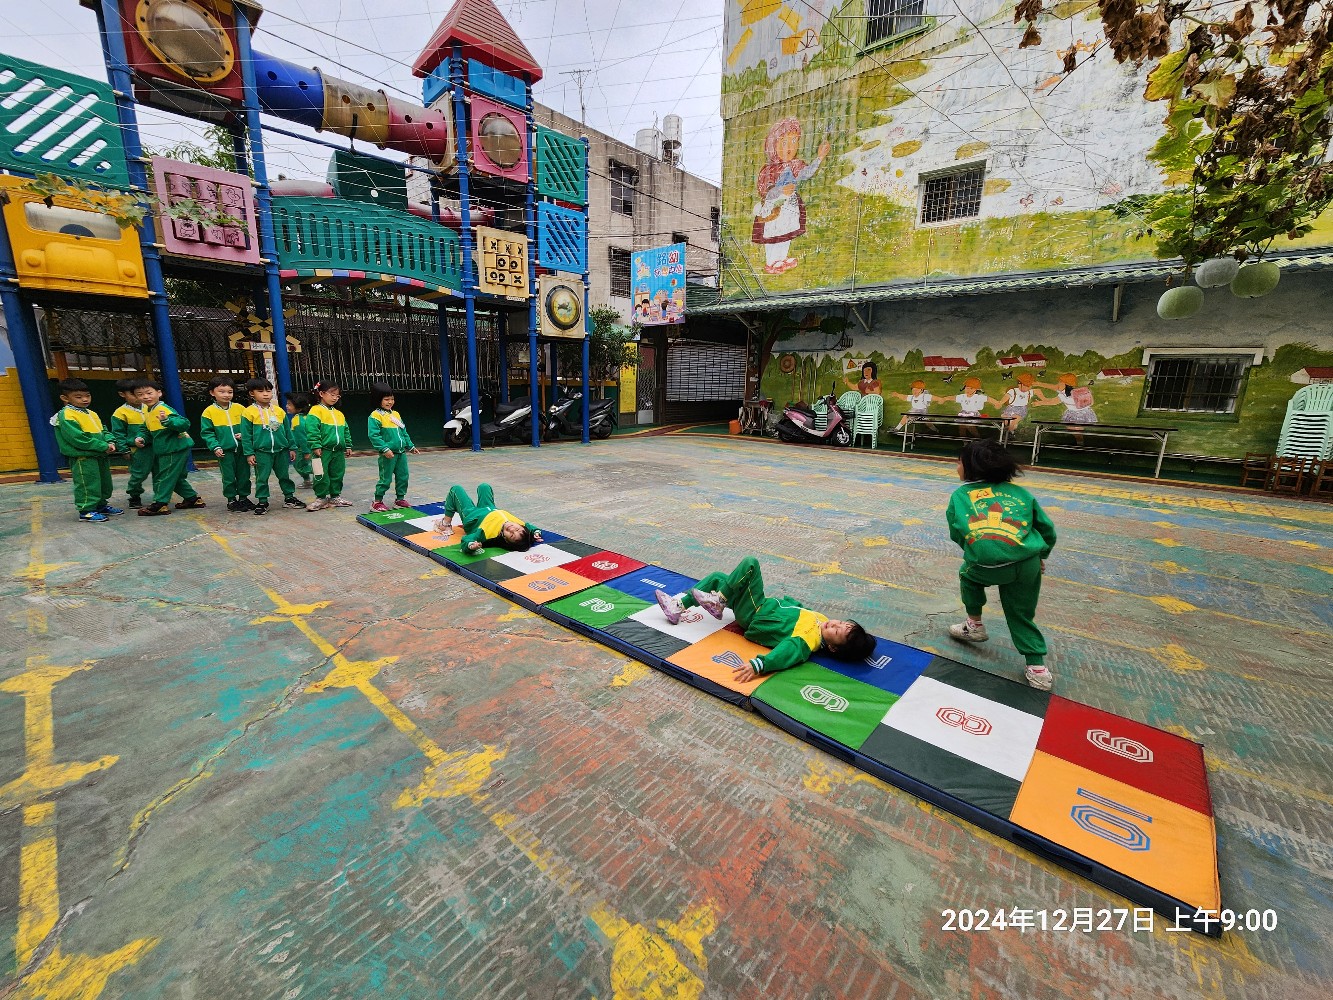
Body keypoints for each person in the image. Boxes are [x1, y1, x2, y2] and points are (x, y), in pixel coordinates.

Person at [945, 439, 1058, 690]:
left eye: (959, 462)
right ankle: (1037, 667)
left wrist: (977, 550)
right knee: (1021, 612)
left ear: (971, 468)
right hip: (1028, 564)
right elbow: (1047, 529)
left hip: (985, 565)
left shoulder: (960, 495)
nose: (956, 467)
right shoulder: (1022, 494)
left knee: (968, 576)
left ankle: (974, 625)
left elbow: (957, 532)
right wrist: (1041, 555)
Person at [654, 557, 875, 683]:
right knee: (718, 578)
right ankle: (677, 607)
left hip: (756, 613)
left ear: (833, 648)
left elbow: (786, 653)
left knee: (750, 564)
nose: (834, 624)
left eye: (836, 632)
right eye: (841, 623)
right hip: (761, 605)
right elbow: (799, 608)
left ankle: (718, 602)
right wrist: (785, 602)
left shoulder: (808, 640)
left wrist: (759, 665)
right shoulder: (821, 619)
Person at [751, 117, 830, 274]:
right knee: (773, 233)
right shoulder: (769, 170)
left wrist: (820, 157)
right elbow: (766, 190)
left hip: (790, 205)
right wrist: (781, 191)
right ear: (774, 145)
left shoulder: (795, 165)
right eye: (784, 142)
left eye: (794, 141)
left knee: (786, 231)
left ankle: (782, 258)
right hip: (775, 206)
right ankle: (771, 262)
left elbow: (806, 173)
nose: (790, 147)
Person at [52, 378, 120, 522]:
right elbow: (77, 438)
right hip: (83, 457)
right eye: (78, 397)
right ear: (65, 398)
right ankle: (86, 510)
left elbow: (103, 429)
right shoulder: (67, 415)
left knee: (104, 482)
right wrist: (103, 446)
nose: (85, 399)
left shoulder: (91, 413)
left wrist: (110, 441)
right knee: (87, 483)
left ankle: (101, 505)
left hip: (99, 454)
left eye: (87, 396)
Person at [135, 380, 204, 516]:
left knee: (165, 476)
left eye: (149, 393)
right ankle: (193, 499)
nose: (145, 397)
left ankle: (160, 504)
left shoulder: (163, 409)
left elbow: (184, 423)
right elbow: (145, 428)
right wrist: (141, 437)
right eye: (140, 394)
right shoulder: (148, 410)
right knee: (175, 477)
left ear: (159, 393)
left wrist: (167, 421)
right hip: (169, 448)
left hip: (173, 448)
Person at [241, 377, 306, 516]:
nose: (266, 394)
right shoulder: (248, 412)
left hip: (281, 451)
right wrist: (249, 453)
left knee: (284, 475)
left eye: (269, 391)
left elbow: (287, 431)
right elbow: (246, 435)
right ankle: (262, 501)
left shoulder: (279, 411)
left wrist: (292, 447)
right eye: (260, 391)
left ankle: (289, 498)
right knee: (262, 478)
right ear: (252, 393)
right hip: (261, 452)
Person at [200, 375, 252, 512]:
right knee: (228, 476)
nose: (226, 395)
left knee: (244, 475)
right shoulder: (209, 412)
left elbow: (249, 426)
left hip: (242, 449)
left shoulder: (240, 408)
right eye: (221, 391)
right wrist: (215, 446)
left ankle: (244, 498)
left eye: (230, 392)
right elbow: (207, 433)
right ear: (212, 392)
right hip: (224, 451)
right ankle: (231, 500)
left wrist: (245, 435)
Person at [442, 483, 542, 552]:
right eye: (517, 529)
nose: (512, 529)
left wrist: (470, 545)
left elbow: (468, 539)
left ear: (505, 539)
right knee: (484, 487)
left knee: (456, 489)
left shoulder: (487, 534)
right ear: (521, 527)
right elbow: (530, 527)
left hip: (473, 517)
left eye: (511, 535)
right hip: (489, 508)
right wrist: (536, 532)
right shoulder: (521, 524)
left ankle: (445, 523)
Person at [367, 383, 419, 513]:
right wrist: (384, 449)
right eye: (386, 399)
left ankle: (400, 499)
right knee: (386, 479)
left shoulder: (396, 414)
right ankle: (377, 502)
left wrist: (410, 446)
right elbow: (374, 435)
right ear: (377, 399)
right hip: (388, 454)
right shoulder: (375, 415)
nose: (390, 402)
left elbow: (403, 431)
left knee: (403, 476)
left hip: (401, 453)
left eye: (392, 399)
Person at [304, 379, 354, 511]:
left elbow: (346, 430)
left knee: (337, 474)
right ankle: (321, 498)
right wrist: (315, 445)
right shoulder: (315, 410)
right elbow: (312, 429)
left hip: (338, 451)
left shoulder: (339, 413)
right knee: (320, 474)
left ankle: (335, 497)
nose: (335, 398)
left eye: (337, 395)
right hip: (321, 450)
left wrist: (348, 445)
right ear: (321, 394)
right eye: (332, 394)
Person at [109, 376, 152, 508]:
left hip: (155, 446)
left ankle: (160, 497)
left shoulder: (149, 407)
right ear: (122, 394)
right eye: (133, 394)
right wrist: (124, 449)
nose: (139, 397)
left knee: (160, 472)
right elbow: (118, 433)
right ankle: (134, 495)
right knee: (139, 474)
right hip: (137, 450)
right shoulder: (120, 413)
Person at [998, 371, 1043, 436]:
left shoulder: (1029, 392)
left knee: (1014, 419)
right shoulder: (1013, 391)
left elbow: (1038, 391)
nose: (1027, 388)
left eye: (1029, 386)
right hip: (1010, 408)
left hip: (1021, 409)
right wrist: (1000, 403)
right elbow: (1005, 398)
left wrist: (1043, 401)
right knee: (1006, 419)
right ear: (1019, 384)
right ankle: (1008, 430)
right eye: (1025, 386)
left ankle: (1009, 432)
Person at [285, 393, 313, 489]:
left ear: (299, 408)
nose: (287, 406)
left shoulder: (297, 420)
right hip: (306, 447)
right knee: (303, 464)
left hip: (301, 448)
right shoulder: (306, 417)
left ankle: (319, 472)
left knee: (299, 466)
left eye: (289, 404)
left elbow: (302, 437)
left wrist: (306, 451)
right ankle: (307, 481)